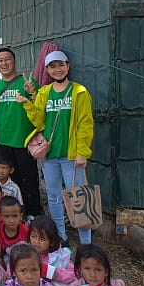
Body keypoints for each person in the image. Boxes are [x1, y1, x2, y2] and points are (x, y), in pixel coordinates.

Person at [17, 50, 94, 244]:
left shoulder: (80, 92)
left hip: (71, 156)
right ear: (47, 70)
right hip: (49, 155)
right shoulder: (44, 92)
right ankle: (60, 236)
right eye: (52, 66)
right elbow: (38, 120)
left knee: (78, 198)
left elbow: (85, 124)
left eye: (61, 65)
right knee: (54, 197)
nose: (57, 69)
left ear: (68, 66)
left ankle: (86, 243)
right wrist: (27, 104)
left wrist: (82, 153)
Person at [0, 46, 41, 217]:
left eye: (7, 60)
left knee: (29, 179)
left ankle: (33, 214)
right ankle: (13, 214)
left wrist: (33, 93)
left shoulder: (27, 83)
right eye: (0, 60)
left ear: (14, 62)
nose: (4, 63)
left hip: (25, 141)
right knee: (8, 180)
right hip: (4, 141)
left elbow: (39, 108)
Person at [28, 215, 75, 285]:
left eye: (42, 239)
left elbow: (74, 275)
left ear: (52, 242)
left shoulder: (59, 257)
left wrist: (52, 272)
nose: (36, 242)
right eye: (33, 236)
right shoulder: (24, 254)